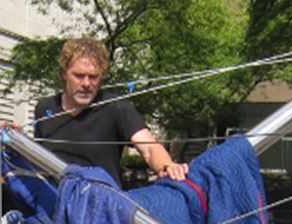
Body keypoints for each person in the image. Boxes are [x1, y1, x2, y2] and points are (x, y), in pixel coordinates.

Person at [33, 37, 189, 186]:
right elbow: (37, 163)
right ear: (63, 74)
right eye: (79, 76)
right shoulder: (45, 108)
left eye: (93, 77)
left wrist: (167, 166)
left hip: (104, 204)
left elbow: (149, 148)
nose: (86, 83)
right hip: (55, 204)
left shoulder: (116, 107)